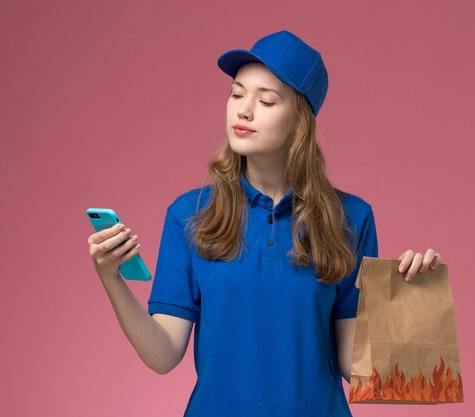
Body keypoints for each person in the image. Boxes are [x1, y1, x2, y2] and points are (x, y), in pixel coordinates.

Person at [87, 29, 443, 417]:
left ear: (299, 121)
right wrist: (112, 279)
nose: (244, 110)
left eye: (267, 100)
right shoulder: (189, 215)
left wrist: (408, 302)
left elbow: (353, 366)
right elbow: (162, 354)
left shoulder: (352, 219)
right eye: (237, 94)